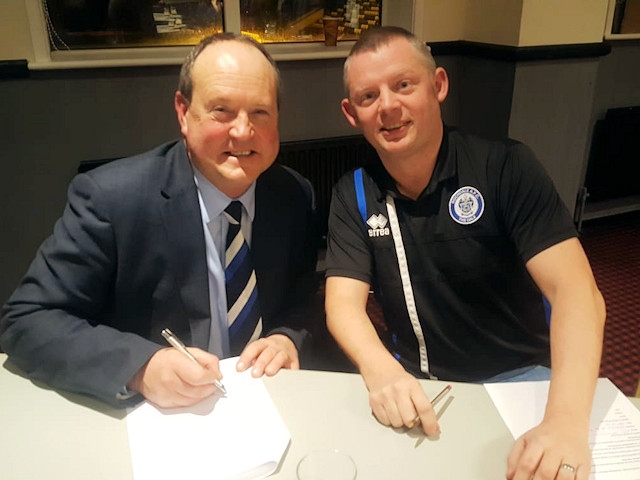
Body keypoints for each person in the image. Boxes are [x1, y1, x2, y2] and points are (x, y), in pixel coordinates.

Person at [324, 26, 605, 480]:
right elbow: (341, 303)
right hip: (420, 387)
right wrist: (381, 370)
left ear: (438, 86)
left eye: (403, 85)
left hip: (522, 381)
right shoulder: (353, 194)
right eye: (368, 96)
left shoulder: (505, 167)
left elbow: (576, 291)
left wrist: (566, 423)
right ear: (351, 113)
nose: (389, 107)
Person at [0, 32, 319, 409]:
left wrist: (287, 336)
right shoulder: (111, 198)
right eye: (222, 110)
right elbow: (27, 321)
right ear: (184, 112)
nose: (243, 131)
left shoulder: (294, 194)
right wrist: (140, 367)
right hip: (158, 418)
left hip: (267, 403)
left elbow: (305, 298)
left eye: (260, 112)